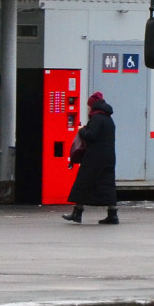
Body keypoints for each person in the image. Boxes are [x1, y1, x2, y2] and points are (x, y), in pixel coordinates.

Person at [63, 91, 118, 225]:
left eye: (89, 105)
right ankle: (113, 214)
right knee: (107, 185)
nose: (88, 108)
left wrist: (81, 129)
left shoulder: (97, 118)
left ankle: (77, 213)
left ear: (93, 105)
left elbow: (92, 135)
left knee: (83, 182)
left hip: (95, 157)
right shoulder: (108, 118)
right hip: (109, 157)